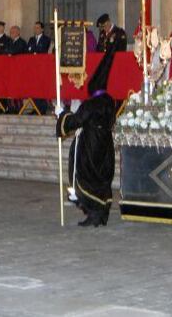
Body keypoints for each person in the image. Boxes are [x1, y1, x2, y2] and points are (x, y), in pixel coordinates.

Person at [56, 49, 118, 227]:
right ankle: (101, 214)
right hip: (105, 143)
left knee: (88, 177)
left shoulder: (91, 104)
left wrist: (62, 114)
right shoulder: (110, 102)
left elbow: (77, 120)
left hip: (91, 145)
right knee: (101, 176)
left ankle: (93, 213)